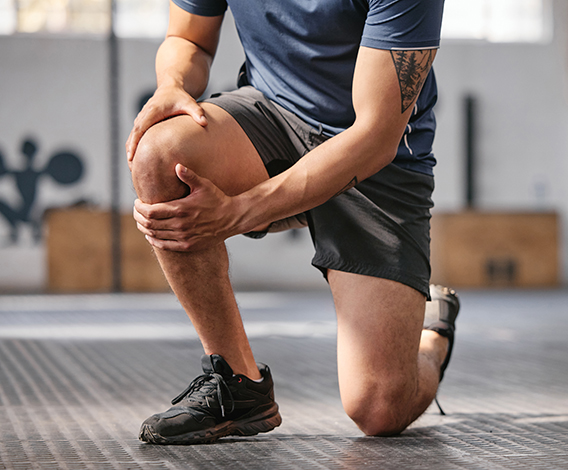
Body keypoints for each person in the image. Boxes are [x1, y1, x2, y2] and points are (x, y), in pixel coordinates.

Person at [126, 0, 460, 445]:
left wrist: (237, 211)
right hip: (274, 116)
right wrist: (172, 83)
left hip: (378, 160)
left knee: (378, 408)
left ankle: (433, 334)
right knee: (159, 154)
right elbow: (188, 38)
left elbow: (375, 136)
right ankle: (237, 383)